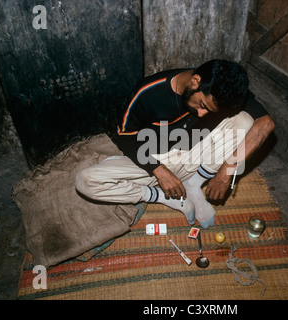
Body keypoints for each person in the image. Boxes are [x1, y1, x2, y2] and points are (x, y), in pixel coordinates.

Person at [75, 59, 275, 228]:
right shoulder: (148, 92)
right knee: (85, 181)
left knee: (246, 122)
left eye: (211, 111)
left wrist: (227, 171)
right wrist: (160, 171)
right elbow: (125, 137)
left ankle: (194, 184)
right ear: (195, 81)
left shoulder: (223, 91)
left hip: (197, 154)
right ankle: (162, 196)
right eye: (203, 105)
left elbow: (266, 124)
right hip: (156, 159)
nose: (202, 114)